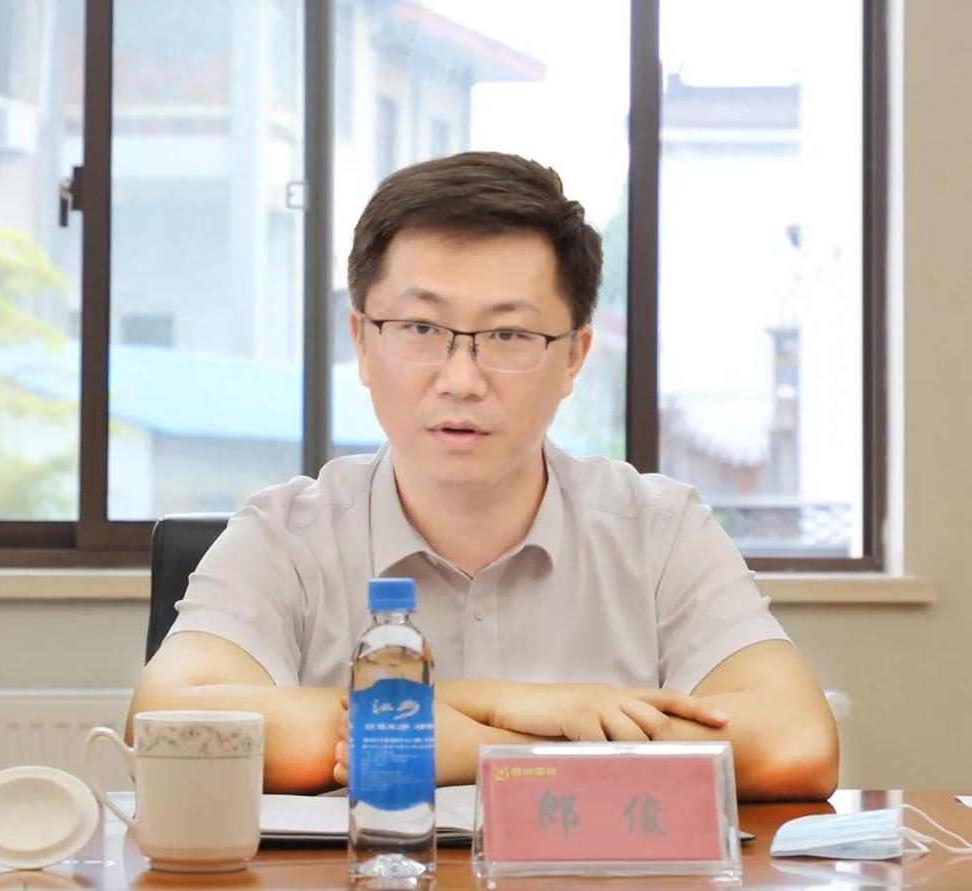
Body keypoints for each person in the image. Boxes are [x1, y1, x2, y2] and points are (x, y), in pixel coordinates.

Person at [128, 152, 839, 800]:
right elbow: (168, 724)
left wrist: (483, 749)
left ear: (573, 356)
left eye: (508, 334)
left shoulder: (657, 530)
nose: (461, 380)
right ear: (362, 343)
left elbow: (794, 742)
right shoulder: (286, 534)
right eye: (420, 328)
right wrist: (498, 705)